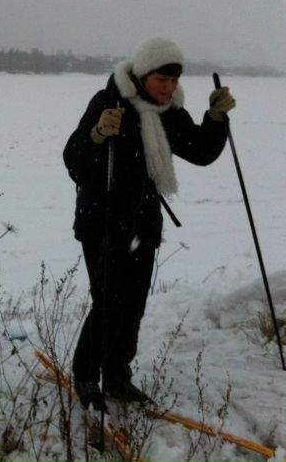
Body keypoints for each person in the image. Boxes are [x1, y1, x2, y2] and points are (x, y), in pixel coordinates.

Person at [63, 37, 235, 410]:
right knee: (109, 302)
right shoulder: (108, 102)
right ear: (143, 74)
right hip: (102, 220)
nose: (169, 87)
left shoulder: (168, 111)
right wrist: (97, 135)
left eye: (174, 80)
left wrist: (216, 118)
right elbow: (75, 163)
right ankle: (85, 375)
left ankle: (117, 377)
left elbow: (200, 150)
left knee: (133, 305)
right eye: (162, 79)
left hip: (143, 224)